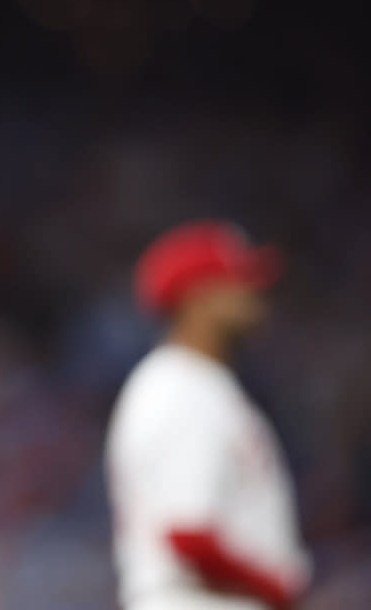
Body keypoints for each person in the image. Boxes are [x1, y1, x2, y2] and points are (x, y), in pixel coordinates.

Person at [105, 220, 311, 610]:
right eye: (238, 281)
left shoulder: (202, 384)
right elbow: (190, 534)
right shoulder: (178, 388)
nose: (254, 293)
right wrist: (279, 591)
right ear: (199, 297)